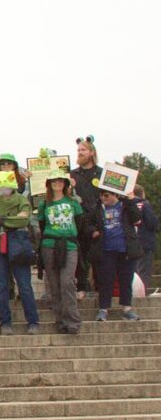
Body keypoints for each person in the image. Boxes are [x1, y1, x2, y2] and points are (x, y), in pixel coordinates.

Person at [0, 171, 40, 335]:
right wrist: (13, 219)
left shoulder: (22, 199)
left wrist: (0, 220)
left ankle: (33, 321)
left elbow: (25, 218)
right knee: (1, 286)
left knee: (24, 285)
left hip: (19, 245)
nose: (3, 190)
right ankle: (5, 322)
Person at [37, 170, 85, 334]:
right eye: (54, 181)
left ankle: (72, 320)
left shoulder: (73, 202)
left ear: (65, 183)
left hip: (69, 245)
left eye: (60, 181)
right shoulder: (44, 203)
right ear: (49, 184)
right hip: (49, 244)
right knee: (54, 285)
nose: (57, 183)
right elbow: (42, 225)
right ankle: (60, 320)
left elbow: (79, 222)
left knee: (67, 282)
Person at [90, 189, 143, 321]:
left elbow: (136, 218)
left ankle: (127, 308)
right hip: (106, 249)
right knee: (105, 281)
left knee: (126, 280)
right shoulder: (97, 208)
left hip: (125, 249)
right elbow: (88, 223)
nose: (103, 198)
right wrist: (92, 231)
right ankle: (103, 309)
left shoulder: (125, 205)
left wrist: (130, 201)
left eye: (106, 195)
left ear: (115, 195)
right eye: (101, 195)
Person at [70, 137, 102, 298]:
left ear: (92, 152)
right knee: (80, 254)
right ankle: (82, 286)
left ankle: (100, 288)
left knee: (99, 255)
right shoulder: (72, 174)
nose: (80, 153)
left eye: (83, 150)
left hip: (98, 220)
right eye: (78, 150)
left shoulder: (102, 173)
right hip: (79, 219)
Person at [130, 185, 158, 293]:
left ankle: (131, 293)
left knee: (132, 270)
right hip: (145, 242)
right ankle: (142, 293)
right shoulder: (144, 204)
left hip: (131, 243)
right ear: (142, 193)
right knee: (144, 270)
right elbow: (153, 223)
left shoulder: (125, 204)